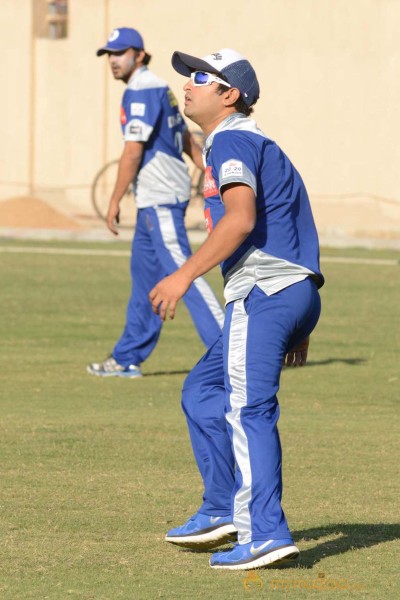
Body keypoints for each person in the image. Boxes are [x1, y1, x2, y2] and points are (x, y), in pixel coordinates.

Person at [149, 48, 324, 570]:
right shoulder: (254, 141)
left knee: (249, 412)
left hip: (265, 294)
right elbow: (290, 219)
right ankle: (223, 507)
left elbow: (241, 219)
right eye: (188, 76)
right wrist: (298, 311)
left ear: (230, 95)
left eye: (201, 77)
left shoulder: (231, 139)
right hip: (289, 292)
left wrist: (183, 275)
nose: (188, 84)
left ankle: (265, 531)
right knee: (203, 390)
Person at [87, 28, 225, 378]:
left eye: (120, 53)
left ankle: (231, 347)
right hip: (153, 201)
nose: (114, 60)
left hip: (162, 199)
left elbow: (133, 152)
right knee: (147, 284)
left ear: (139, 54)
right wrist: (211, 174)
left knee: (185, 274)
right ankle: (127, 357)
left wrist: (115, 199)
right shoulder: (159, 88)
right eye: (110, 54)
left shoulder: (142, 91)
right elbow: (187, 142)